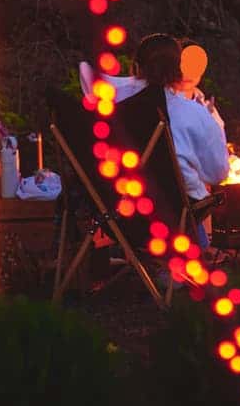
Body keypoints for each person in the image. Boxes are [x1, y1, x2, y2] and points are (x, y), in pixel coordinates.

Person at [81, 34, 229, 247]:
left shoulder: (109, 107)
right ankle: (181, 271)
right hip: (175, 219)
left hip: (119, 217)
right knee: (191, 202)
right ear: (179, 69)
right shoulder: (194, 113)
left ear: (136, 67)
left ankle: (147, 269)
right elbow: (217, 173)